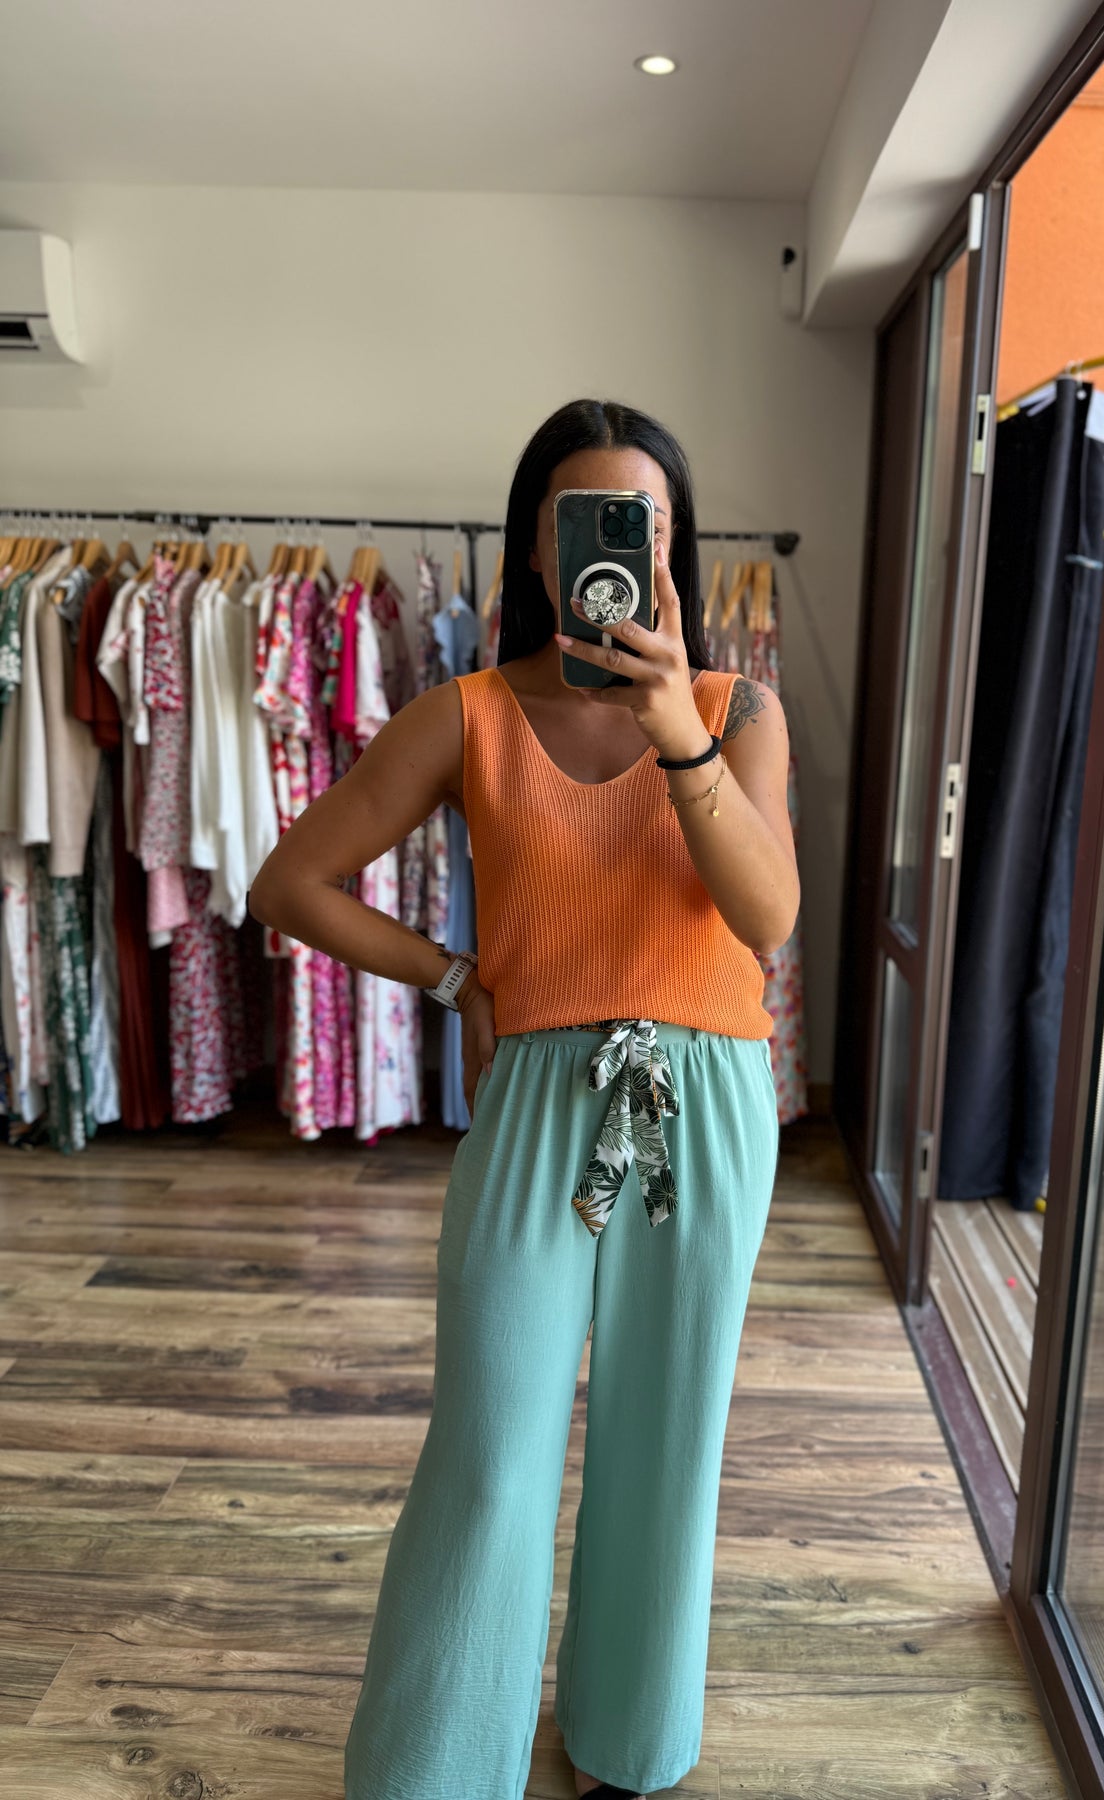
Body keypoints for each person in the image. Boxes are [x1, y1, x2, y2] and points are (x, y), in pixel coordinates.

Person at [248, 396, 799, 1800]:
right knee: (491, 1445)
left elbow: (767, 919)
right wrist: (453, 979)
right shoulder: (469, 716)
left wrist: (676, 731)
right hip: (543, 1097)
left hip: (702, 1103)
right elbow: (290, 884)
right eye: (585, 520)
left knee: (666, 1440)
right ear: (540, 551)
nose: (616, 546)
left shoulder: (738, 713)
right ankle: (436, 1768)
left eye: (646, 522)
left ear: (672, 548)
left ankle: (628, 1742)